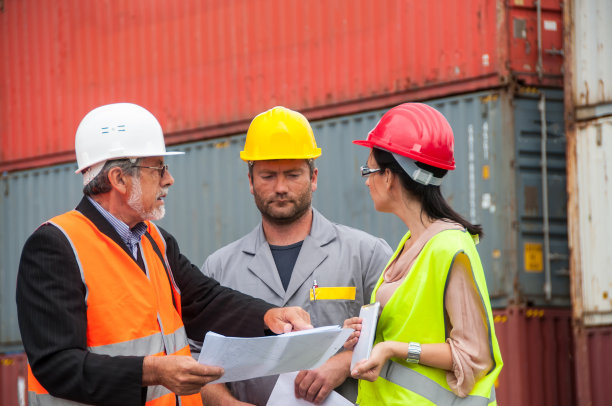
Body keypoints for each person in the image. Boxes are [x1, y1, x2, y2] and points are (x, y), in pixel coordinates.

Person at [16, 103, 312, 406]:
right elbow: (56, 365)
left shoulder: (155, 239)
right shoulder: (55, 248)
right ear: (119, 179)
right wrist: (150, 371)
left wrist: (269, 316)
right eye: (158, 168)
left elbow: (204, 301)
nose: (168, 179)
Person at [199, 106, 393, 405]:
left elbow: (397, 340)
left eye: (292, 174)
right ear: (250, 182)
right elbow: (198, 363)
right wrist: (225, 403)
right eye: (267, 176)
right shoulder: (220, 269)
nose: (280, 187)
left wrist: (343, 365)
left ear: (313, 178)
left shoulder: (365, 254)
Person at [344, 103, 503, 405]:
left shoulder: (448, 247)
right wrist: (368, 333)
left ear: (389, 176)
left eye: (369, 170)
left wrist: (392, 349)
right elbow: (412, 323)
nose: (366, 180)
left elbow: (473, 354)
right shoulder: (410, 242)